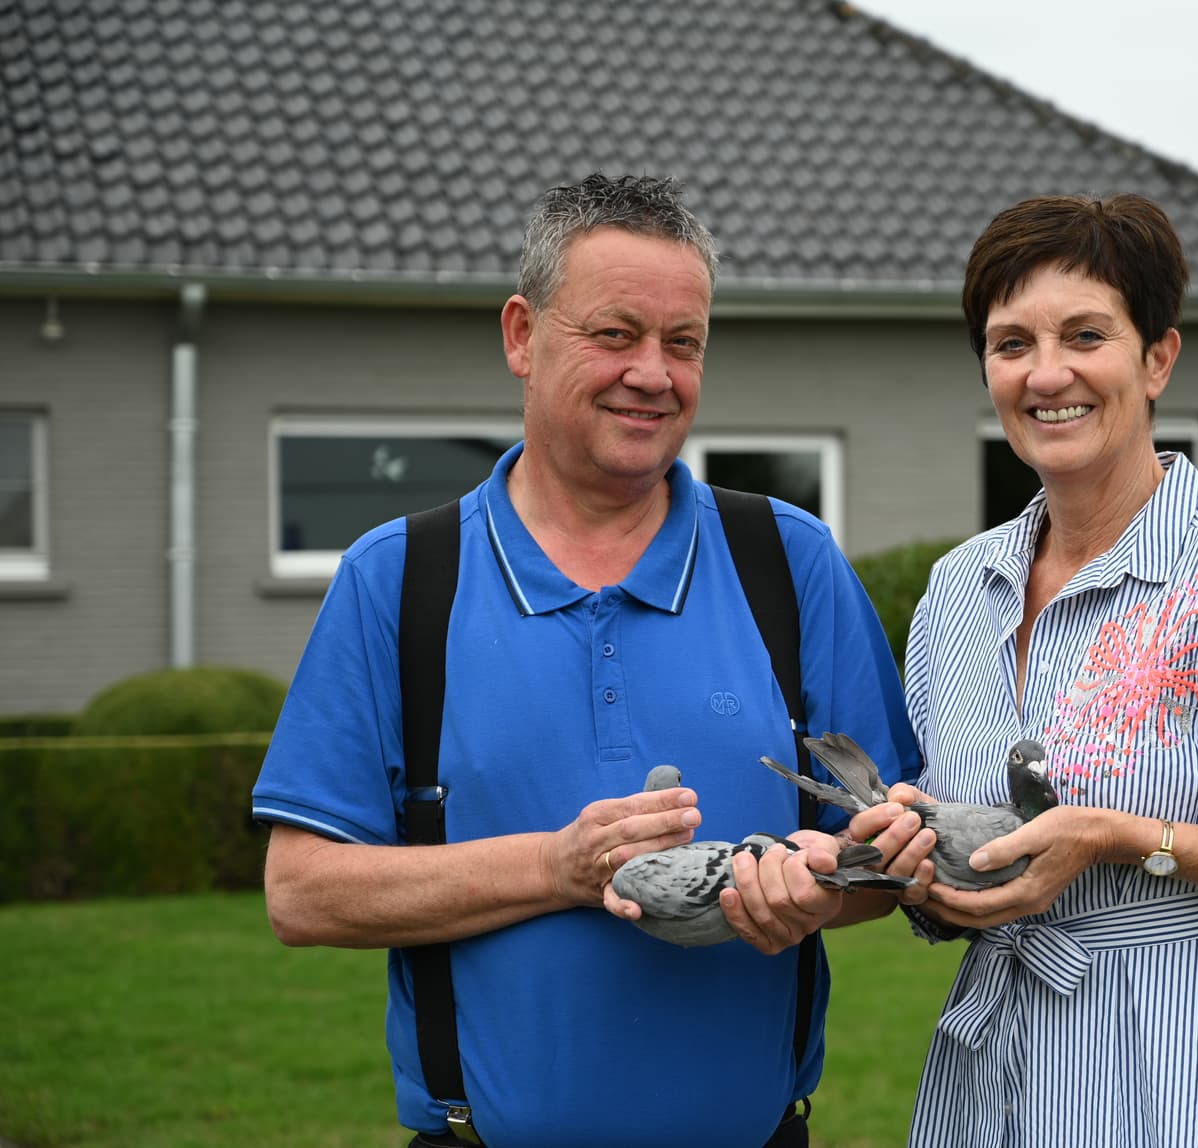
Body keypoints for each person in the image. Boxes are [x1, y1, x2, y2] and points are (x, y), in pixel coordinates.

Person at [252, 174, 922, 1148]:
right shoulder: (398, 578)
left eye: (682, 342)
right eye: (614, 334)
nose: (652, 372)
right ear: (522, 335)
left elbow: (894, 851)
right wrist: (559, 866)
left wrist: (825, 885)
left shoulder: (789, 561)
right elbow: (301, 891)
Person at [847, 193, 1198, 1147]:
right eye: (1010, 344)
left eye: (1086, 335)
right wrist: (926, 871)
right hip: (988, 1082)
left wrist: (1131, 836)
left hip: (1182, 1074)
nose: (1048, 375)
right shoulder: (958, 593)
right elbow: (967, 869)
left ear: (1158, 357)